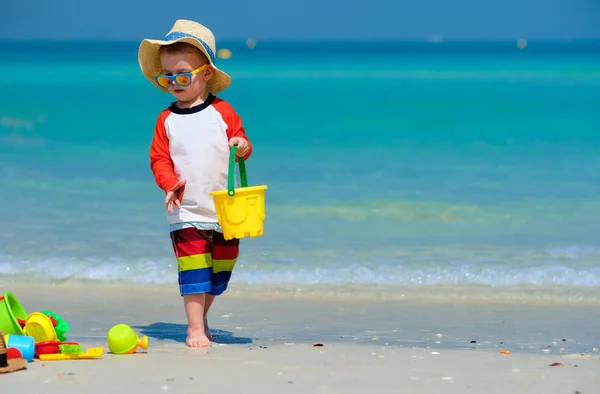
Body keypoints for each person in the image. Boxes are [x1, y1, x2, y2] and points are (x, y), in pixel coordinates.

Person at [138, 19, 252, 348]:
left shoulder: (223, 112)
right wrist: (169, 183)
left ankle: (200, 316)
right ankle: (194, 329)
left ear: (205, 74)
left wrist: (242, 146)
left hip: (225, 209)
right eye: (167, 77)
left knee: (221, 270)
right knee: (193, 272)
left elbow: (241, 143)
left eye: (183, 75)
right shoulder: (167, 120)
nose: (175, 82)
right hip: (186, 210)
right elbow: (159, 158)